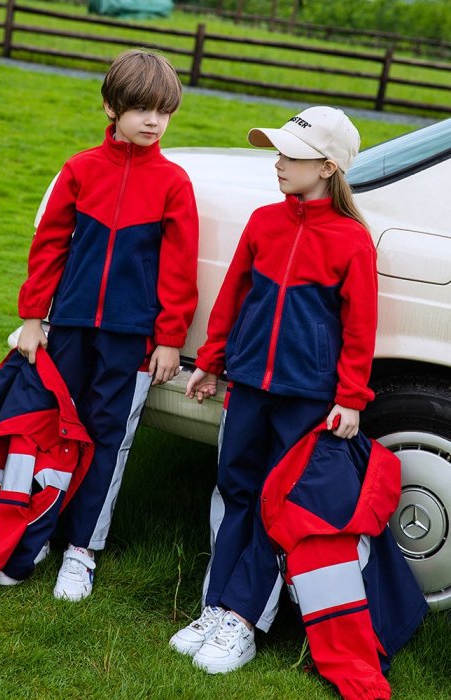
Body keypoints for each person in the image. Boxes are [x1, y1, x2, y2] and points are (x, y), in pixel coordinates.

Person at [169, 107, 399, 696]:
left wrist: (350, 398)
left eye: (290, 155)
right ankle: (215, 607)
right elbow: (232, 300)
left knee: (278, 507)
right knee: (235, 489)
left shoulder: (351, 240)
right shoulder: (263, 222)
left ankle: (244, 619)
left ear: (326, 167)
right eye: (276, 152)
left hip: (308, 402)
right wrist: (212, 363)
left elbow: (359, 329)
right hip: (248, 386)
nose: (277, 162)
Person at [14, 49, 199, 601]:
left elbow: (179, 268)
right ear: (110, 106)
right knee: (52, 429)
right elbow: (48, 246)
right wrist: (32, 316)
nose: (152, 121)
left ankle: (81, 550)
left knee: (106, 438)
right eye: (140, 108)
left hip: (131, 340)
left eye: (162, 112)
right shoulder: (80, 169)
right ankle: (38, 529)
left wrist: (169, 339)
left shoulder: (173, 183)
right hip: (68, 326)